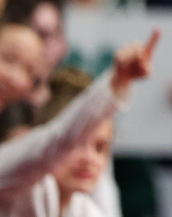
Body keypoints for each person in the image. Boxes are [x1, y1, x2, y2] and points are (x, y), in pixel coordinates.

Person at [0, 31, 158, 217]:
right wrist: (117, 81)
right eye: (77, 144)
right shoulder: (15, 176)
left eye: (100, 148)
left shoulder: (84, 210)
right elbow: (59, 137)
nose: (88, 159)